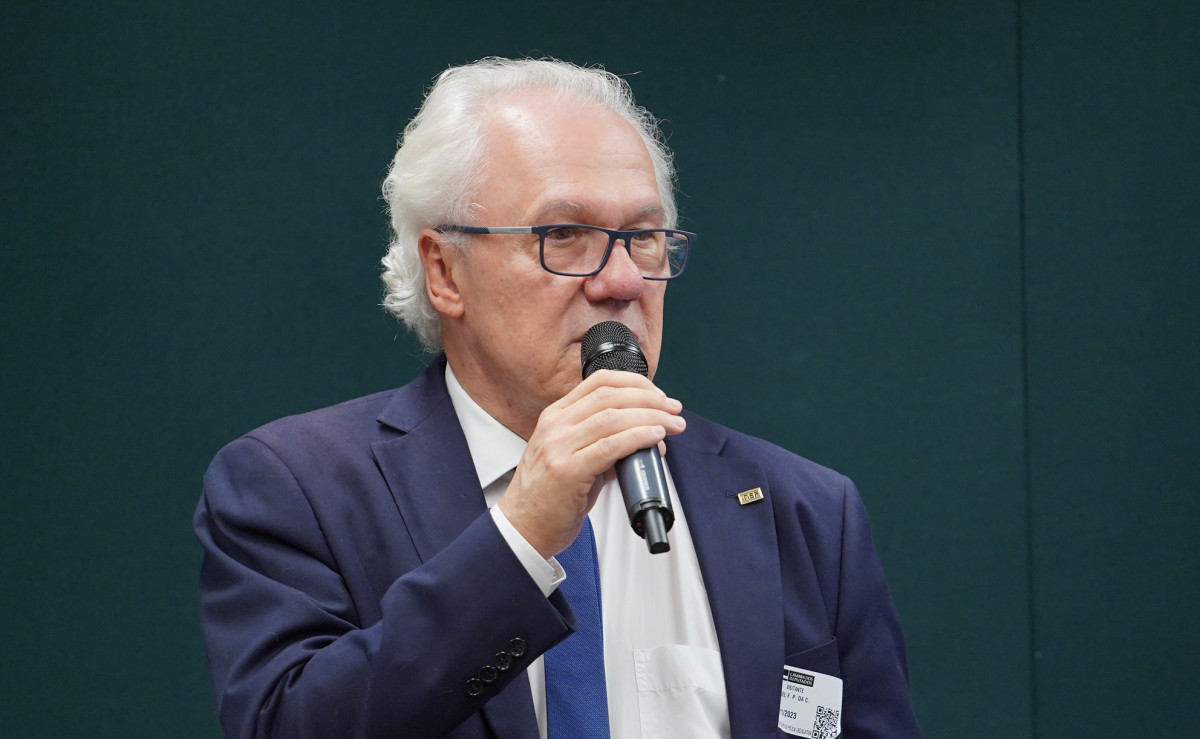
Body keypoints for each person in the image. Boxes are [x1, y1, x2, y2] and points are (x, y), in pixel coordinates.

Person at [195, 57, 921, 738]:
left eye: (643, 238)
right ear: (445, 271)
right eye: (565, 235)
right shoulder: (297, 488)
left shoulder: (805, 511)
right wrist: (519, 538)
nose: (622, 282)